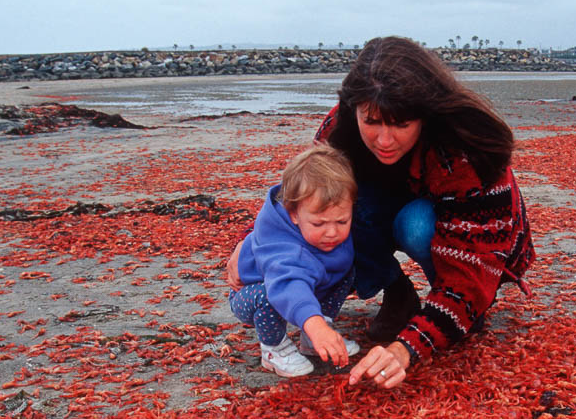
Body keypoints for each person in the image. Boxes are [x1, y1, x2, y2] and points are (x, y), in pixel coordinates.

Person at [229, 36, 534, 388]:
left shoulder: (465, 153)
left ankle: (449, 307)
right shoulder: (339, 129)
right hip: (385, 205)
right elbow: (306, 194)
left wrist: (406, 348)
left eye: (401, 124)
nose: (384, 140)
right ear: (353, 107)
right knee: (337, 213)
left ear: (425, 114)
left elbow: (473, 268)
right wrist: (252, 241)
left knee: (417, 226)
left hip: (473, 244)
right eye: (371, 121)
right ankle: (398, 291)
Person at [229, 144, 360, 377]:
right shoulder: (284, 247)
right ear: (294, 215)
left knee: (345, 269)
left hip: (307, 281)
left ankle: (311, 337)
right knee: (267, 296)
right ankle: (273, 349)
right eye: (319, 224)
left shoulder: (330, 227)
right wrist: (315, 323)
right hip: (255, 292)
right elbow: (288, 284)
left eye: (342, 221)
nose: (331, 232)